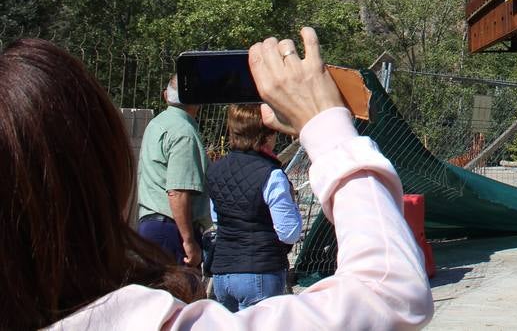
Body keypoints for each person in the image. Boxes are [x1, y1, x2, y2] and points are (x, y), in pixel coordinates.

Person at [1, 28, 433, 329]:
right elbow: (388, 296)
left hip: (223, 268)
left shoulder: (201, 155)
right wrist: (326, 126)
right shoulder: (254, 167)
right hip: (257, 267)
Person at [207, 104, 303, 311]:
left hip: (222, 273)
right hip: (260, 271)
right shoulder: (272, 175)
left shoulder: (215, 170)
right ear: (266, 135)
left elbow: (216, 218)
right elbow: (289, 232)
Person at [137, 73, 211, 268]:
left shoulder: (156, 124)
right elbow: (178, 191)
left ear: (165, 96)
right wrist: (188, 241)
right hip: (173, 230)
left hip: (149, 225)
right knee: (181, 295)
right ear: (197, 100)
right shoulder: (184, 132)